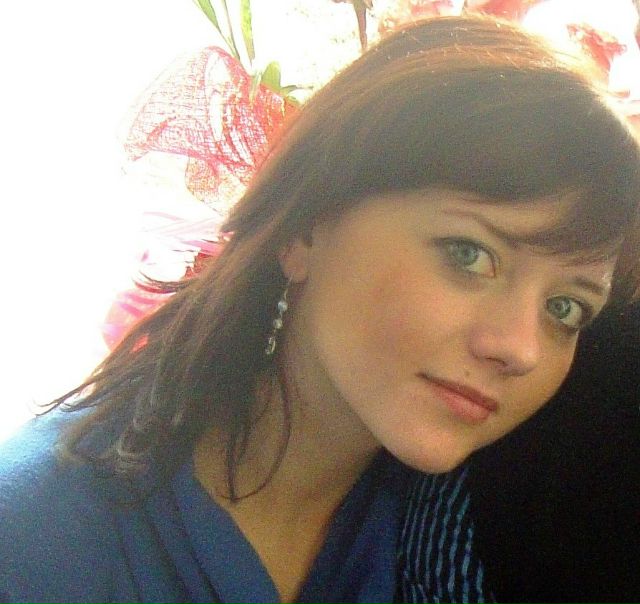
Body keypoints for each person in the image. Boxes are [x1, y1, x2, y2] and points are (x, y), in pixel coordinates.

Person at [2, 14, 640, 604]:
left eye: (565, 308)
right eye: (469, 255)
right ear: (305, 227)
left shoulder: (461, 521)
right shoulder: (42, 542)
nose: (521, 348)